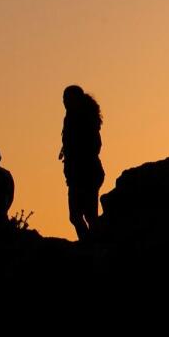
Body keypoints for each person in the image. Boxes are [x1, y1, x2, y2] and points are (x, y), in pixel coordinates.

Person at [59, 85, 105, 241]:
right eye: (63, 99)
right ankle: (91, 243)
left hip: (86, 173)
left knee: (84, 215)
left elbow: (95, 145)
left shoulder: (82, 118)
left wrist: (77, 158)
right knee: (82, 215)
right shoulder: (72, 117)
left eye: (66, 99)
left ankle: (91, 245)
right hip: (82, 173)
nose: (64, 102)